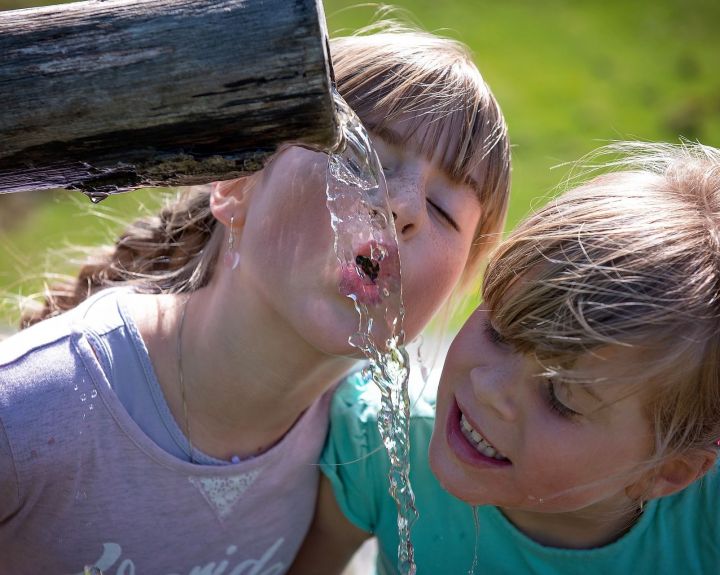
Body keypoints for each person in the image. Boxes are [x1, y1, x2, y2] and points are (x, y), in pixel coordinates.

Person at [0, 22, 510, 575]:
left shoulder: (358, 454)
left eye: (442, 210)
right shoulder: (31, 412)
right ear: (234, 185)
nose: (402, 207)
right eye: (361, 158)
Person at [291, 141, 720, 575]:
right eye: (499, 332)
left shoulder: (705, 526)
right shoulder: (380, 448)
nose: (490, 387)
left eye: (560, 397)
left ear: (668, 470)